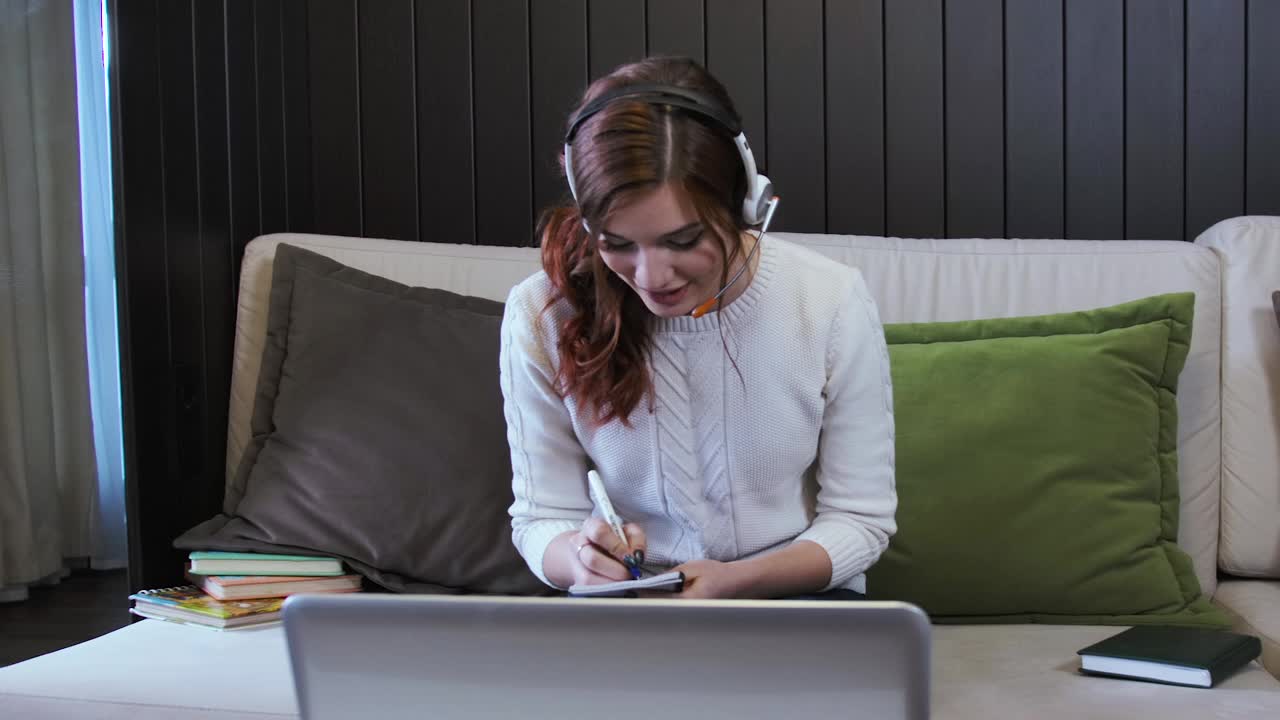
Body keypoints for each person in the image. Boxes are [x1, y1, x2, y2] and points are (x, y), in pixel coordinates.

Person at [499, 56, 896, 599]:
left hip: (794, 600)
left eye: (683, 241)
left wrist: (735, 580)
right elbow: (541, 517)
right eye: (616, 243)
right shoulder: (541, 312)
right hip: (632, 609)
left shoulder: (827, 300)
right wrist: (578, 558)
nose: (651, 276)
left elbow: (861, 521)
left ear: (743, 205)